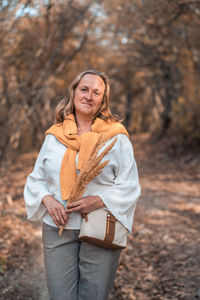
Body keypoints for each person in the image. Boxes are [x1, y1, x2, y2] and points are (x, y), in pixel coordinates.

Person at [24, 70, 141, 300]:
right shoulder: (54, 136)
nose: (89, 96)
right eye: (84, 89)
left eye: (96, 92)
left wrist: (98, 200)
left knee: (93, 295)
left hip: (100, 226)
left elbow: (130, 185)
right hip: (58, 227)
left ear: (103, 100)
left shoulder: (116, 137)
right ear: (74, 92)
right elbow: (35, 179)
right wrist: (48, 200)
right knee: (60, 295)